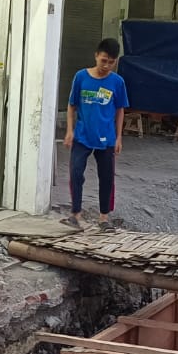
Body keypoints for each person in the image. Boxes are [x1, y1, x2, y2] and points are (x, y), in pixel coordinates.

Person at [64, 38, 129, 230]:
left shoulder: (117, 82)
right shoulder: (81, 77)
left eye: (111, 62)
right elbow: (71, 105)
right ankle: (75, 213)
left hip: (107, 138)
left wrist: (118, 137)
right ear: (96, 56)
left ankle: (104, 217)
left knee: (106, 176)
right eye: (104, 60)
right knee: (76, 173)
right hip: (82, 136)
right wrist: (69, 130)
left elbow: (120, 110)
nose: (107, 65)